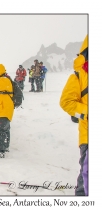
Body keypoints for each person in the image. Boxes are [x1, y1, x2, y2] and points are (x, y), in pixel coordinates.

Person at [60, 35, 88, 196]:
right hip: (89, 135)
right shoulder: (79, 75)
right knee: (88, 173)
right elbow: (67, 102)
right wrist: (87, 113)